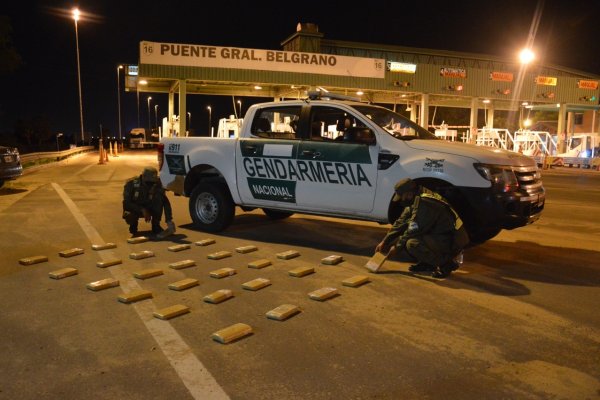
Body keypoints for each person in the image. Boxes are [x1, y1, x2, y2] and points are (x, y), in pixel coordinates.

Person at [375, 178, 467, 278]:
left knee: (412, 244)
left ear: (409, 194)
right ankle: (428, 264)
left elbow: (413, 229)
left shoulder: (425, 202)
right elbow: (400, 222)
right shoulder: (417, 197)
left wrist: (396, 247)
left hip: (451, 239)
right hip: (441, 234)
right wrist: (385, 241)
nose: (401, 199)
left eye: (402, 197)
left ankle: (446, 264)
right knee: (407, 240)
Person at [122, 166, 175, 239]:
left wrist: (169, 220)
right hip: (136, 208)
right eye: (149, 182)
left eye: (152, 182)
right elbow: (126, 203)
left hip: (150, 206)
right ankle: (133, 225)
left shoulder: (157, 183)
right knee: (129, 214)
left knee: (159, 199)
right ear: (143, 177)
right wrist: (142, 209)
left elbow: (164, 201)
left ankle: (156, 225)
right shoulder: (131, 184)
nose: (151, 185)